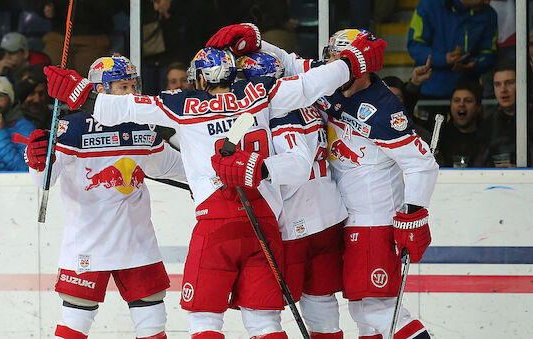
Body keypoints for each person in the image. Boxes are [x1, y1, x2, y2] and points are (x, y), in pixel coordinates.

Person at [42, 23, 385, 338]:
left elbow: (126, 109)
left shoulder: (181, 104)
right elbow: (311, 84)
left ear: (200, 79)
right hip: (263, 220)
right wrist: (350, 65)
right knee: (264, 320)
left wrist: (83, 97)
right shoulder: (259, 94)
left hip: (216, 223)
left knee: (205, 318)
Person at [258, 28, 438, 339]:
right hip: (346, 217)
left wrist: (412, 216)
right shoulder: (331, 78)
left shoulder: (384, 110)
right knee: (366, 317)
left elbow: (422, 163)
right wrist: (255, 41)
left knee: (374, 309)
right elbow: (289, 63)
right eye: (328, 58)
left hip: (374, 220)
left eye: (336, 59)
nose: (328, 64)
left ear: (360, 63)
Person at [24, 55, 186, 339]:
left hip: (137, 241)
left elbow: (172, 167)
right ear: (100, 91)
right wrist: (37, 160)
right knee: (75, 320)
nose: (132, 94)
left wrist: (212, 176)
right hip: (88, 243)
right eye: (123, 87)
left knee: (152, 318)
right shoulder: (71, 128)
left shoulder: (142, 126)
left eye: (133, 86)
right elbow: (45, 180)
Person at [237, 50, 347, 338]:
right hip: (331, 213)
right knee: (320, 299)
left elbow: (296, 162)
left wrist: (254, 169)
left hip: (298, 220)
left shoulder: (281, 109)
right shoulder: (311, 103)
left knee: (261, 308)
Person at [407, 0, 497, 99]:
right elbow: (415, 46)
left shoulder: (489, 14)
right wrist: (443, 59)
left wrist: (472, 65)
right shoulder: (428, 5)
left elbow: (488, 54)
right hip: (431, 91)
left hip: (469, 92)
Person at [477, 61, 533, 167]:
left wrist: (521, 171)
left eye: (509, 83)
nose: (503, 89)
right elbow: (478, 164)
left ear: (523, 83)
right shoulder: (489, 123)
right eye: (498, 84)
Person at [436, 82, 484, 167]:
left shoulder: (487, 135)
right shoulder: (439, 136)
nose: (461, 104)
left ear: (478, 107)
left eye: (468, 101)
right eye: (456, 100)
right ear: (450, 106)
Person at [11, 65, 51, 129]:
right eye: (31, 93)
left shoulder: (55, 119)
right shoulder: (8, 121)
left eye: (41, 93)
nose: (37, 99)